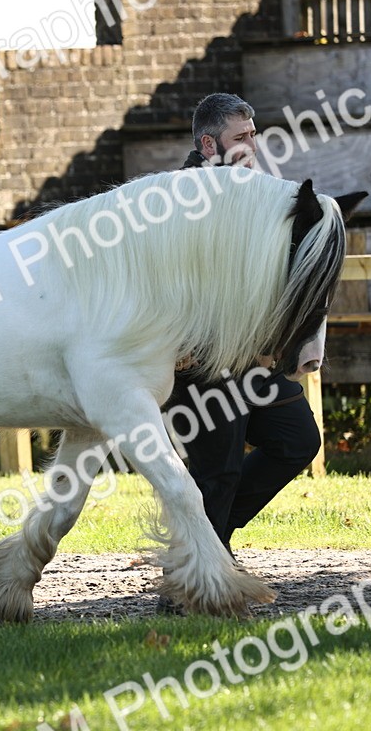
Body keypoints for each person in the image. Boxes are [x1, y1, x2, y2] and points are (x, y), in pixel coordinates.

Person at [158, 93, 321, 612]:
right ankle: (191, 583)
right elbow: (162, 283)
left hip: (249, 363)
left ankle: (211, 544)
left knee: (298, 440)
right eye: (241, 138)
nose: (253, 145)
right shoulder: (176, 201)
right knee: (218, 473)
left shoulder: (256, 193)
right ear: (209, 144)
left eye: (253, 134)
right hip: (198, 365)